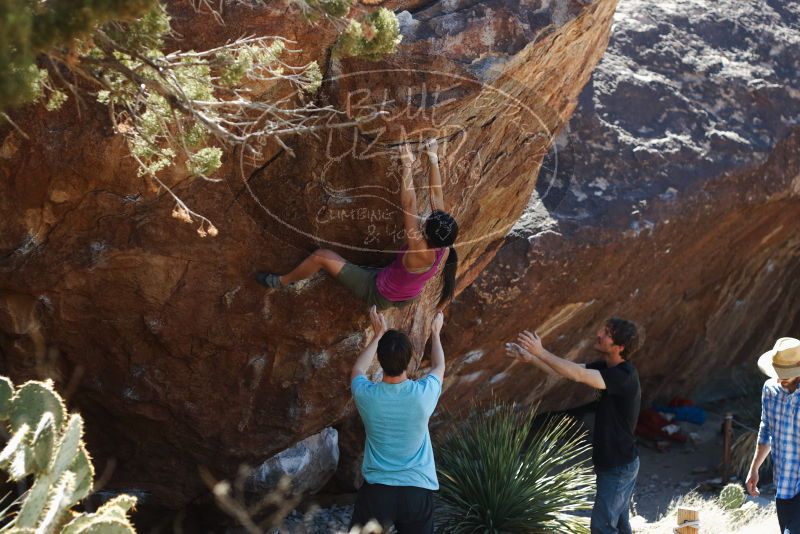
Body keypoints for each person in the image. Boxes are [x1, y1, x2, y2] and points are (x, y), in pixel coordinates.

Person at [255, 139, 459, 310]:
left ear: (428, 233)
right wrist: (433, 158)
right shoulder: (444, 242)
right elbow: (436, 196)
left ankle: (281, 282)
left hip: (380, 293)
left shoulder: (420, 249)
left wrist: (407, 165)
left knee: (321, 257)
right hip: (407, 292)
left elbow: (409, 203)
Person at [506, 319, 642, 534]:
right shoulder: (606, 368)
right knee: (618, 524)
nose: (598, 333)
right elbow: (566, 371)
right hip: (617, 462)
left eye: (606, 333)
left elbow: (579, 375)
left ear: (619, 347)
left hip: (619, 466)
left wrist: (540, 351)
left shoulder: (623, 376)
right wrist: (531, 358)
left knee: (602, 527)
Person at [348, 305, 445, 533]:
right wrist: (436, 333)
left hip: (377, 492)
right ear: (409, 360)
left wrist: (377, 334)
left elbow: (357, 370)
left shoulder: (366, 395)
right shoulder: (423, 395)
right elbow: (439, 366)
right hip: (416, 491)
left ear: (380, 361)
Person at [747, 337, 800, 534]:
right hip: (784, 484)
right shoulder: (770, 390)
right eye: (778, 372)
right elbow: (767, 429)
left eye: (786, 374)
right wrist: (754, 469)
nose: (780, 379)